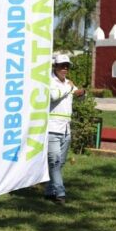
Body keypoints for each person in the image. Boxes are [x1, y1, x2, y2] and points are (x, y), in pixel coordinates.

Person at [46, 54, 85, 204]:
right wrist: (68, 88)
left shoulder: (68, 83)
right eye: (62, 65)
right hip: (52, 127)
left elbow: (77, 95)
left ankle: (50, 191)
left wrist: (82, 93)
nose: (65, 69)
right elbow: (53, 96)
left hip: (66, 129)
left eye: (67, 66)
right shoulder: (49, 81)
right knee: (54, 162)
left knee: (60, 163)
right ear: (55, 66)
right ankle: (60, 193)